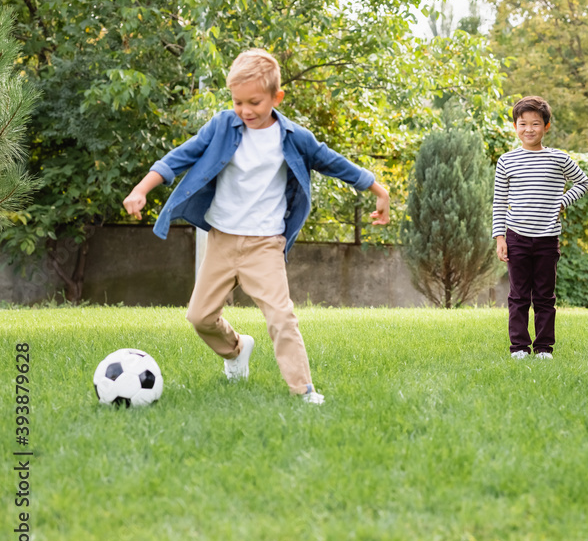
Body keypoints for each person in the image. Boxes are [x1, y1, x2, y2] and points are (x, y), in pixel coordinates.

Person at [123, 48, 389, 405]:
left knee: (281, 316)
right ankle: (235, 350)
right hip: (221, 239)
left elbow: (332, 162)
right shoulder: (221, 126)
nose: (246, 111)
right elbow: (179, 156)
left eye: (255, 102)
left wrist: (376, 188)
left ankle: (304, 390)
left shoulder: (294, 137)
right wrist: (142, 189)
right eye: (238, 102)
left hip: (265, 246)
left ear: (276, 97)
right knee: (199, 316)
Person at [492, 96, 588, 359]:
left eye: (535, 124)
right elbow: (499, 202)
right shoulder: (506, 161)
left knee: (545, 296)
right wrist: (499, 237)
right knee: (518, 296)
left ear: (546, 126)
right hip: (516, 237)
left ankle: (544, 347)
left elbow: (583, 183)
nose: (528, 129)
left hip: (547, 238)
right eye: (522, 124)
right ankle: (519, 347)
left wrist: (562, 201)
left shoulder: (558, 159)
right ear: (515, 126)